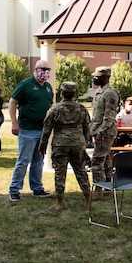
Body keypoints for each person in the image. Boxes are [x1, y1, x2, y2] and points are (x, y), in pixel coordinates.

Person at [40, 82, 91, 211]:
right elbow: (87, 128)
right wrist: (84, 141)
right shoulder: (81, 108)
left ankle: (60, 202)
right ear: (74, 94)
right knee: (81, 171)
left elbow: (46, 130)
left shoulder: (55, 109)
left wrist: (42, 147)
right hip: (77, 144)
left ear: (61, 93)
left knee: (60, 173)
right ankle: (87, 199)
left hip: (60, 144)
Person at [8, 60, 54, 201]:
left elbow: (51, 104)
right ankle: (14, 189)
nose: (45, 72)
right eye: (43, 69)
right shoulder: (25, 85)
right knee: (23, 160)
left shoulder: (47, 87)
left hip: (42, 130)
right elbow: (12, 102)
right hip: (27, 129)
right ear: (36, 69)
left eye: (48, 69)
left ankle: (37, 188)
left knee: (38, 161)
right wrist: (14, 123)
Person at [90, 66, 120, 199]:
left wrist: (101, 134)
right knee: (106, 159)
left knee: (97, 160)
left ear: (106, 77)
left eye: (98, 77)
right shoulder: (99, 92)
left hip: (105, 132)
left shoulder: (110, 93)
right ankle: (108, 188)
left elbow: (109, 117)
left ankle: (98, 189)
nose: (95, 79)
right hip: (98, 131)